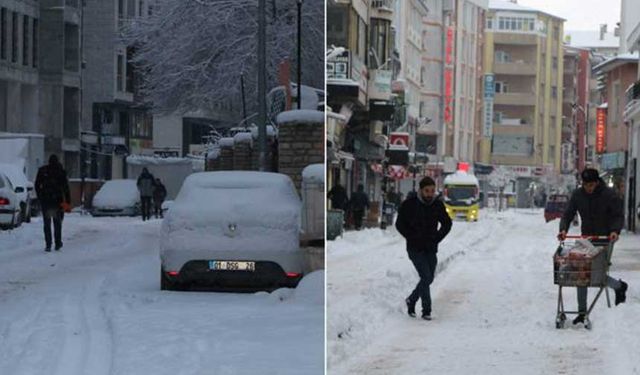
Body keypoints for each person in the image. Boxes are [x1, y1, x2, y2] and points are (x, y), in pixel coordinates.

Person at [558, 168, 628, 326]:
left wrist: (615, 231)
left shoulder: (609, 195)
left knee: (596, 274)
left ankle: (619, 286)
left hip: (605, 238)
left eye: (591, 185)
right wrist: (563, 229)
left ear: (597, 182)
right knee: (581, 273)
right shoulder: (578, 194)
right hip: (586, 239)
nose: (588, 188)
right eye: (585, 185)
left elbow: (617, 215)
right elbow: (568, 213)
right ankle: (582, 312)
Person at [395, 176, 452, 320]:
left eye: (432, 191)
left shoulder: (437, 205)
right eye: (427, 191)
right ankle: (426, 310)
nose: (430, 194)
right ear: (421, 190)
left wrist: (437, 238)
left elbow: (447, 223)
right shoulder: (410, 204)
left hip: (431, 248)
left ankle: (412, 299)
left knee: (429, 278)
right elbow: (399, 224)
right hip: (415, 248)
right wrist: (411, 236)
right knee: (425, 276)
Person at [35, 154, 71, 251]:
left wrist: (40, 196)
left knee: (47, 224)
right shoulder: (61, 172)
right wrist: (67, 202)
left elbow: (37, 185)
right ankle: (58, 243)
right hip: (57, 201)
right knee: (57, 223)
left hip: (46, 201)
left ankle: (48, 244)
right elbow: (66, 189)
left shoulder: (43, 171)